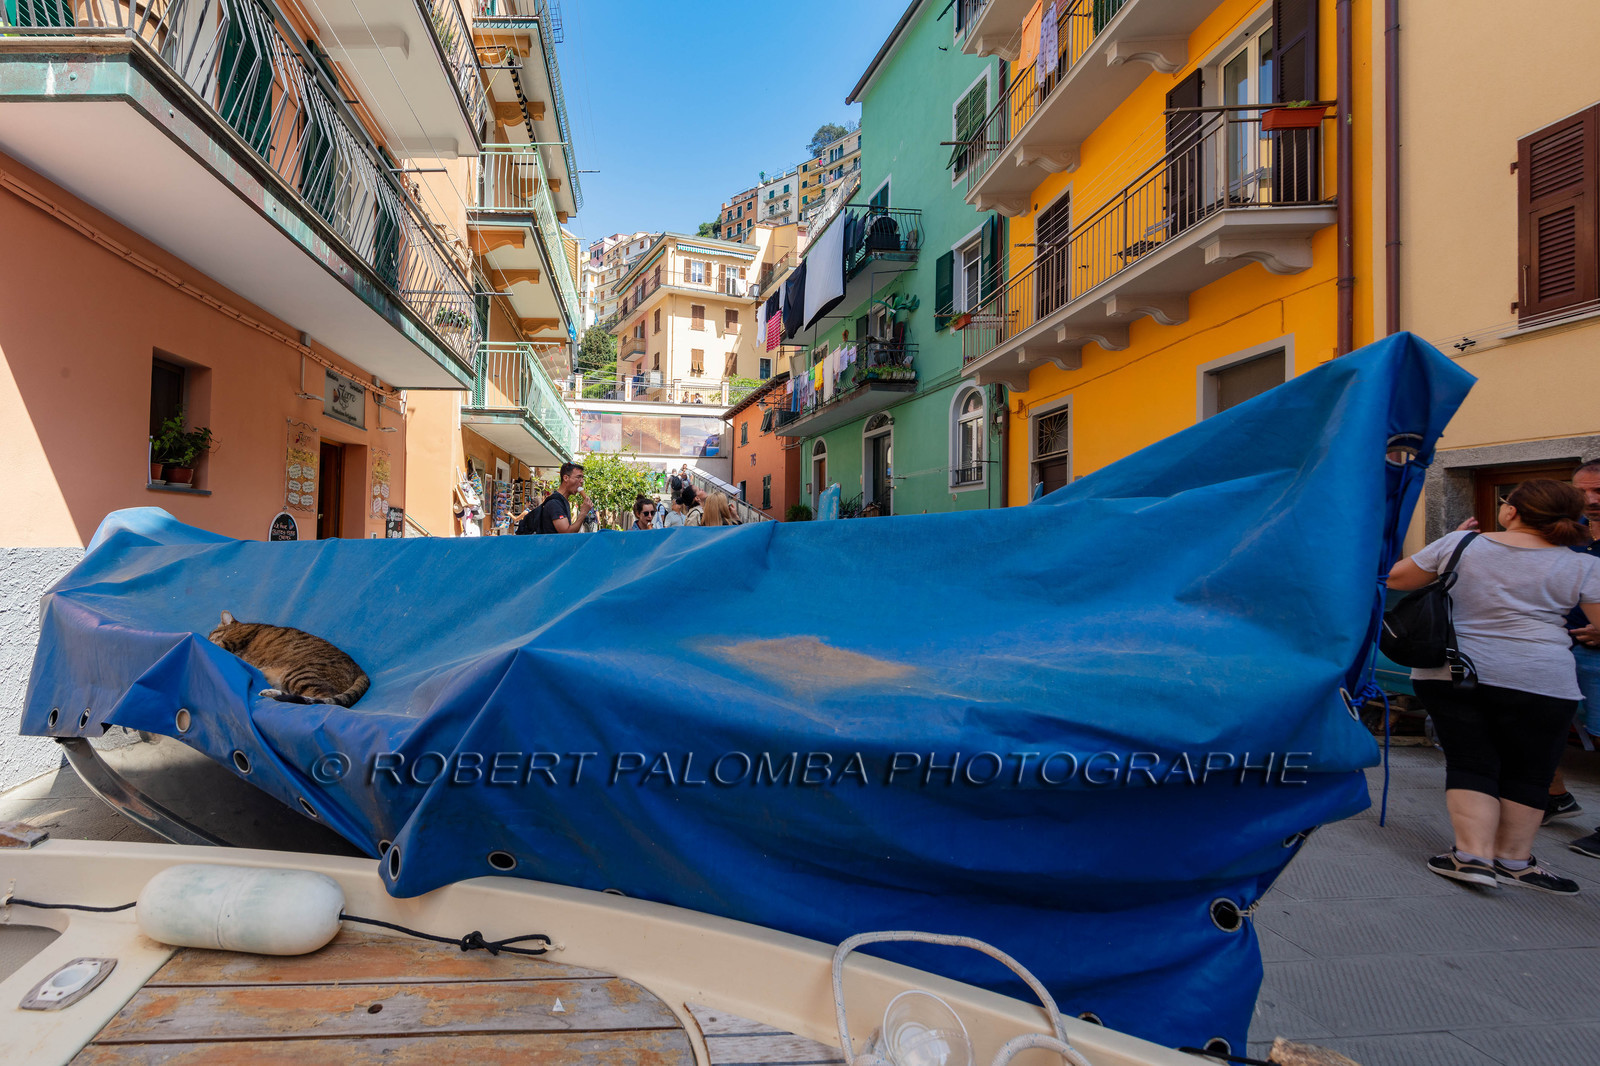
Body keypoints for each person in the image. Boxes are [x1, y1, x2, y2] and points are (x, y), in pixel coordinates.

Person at [1388, 479, 1600, 895]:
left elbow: (1396, 579)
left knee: (1471, 762)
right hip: (1543, 677)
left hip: (1456, 671)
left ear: (1511, 512)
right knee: (1531, 769)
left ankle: (1471, 857)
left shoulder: (1461, 545)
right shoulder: (1582, 565)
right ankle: (1515, 860)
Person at [1559, 462, 1600, 856]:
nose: (1591, 500)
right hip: (1557, 648)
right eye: (1582, 491)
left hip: (1597, 656)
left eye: (1599, 490)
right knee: (1540, 724)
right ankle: (1554, 797)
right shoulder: (1568, 531)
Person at [534, 462, 591, 535]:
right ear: (566, 478)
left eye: (582, 477)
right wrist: (583, 512)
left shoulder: (563, 501)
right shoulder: (555, 504)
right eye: (578, 477)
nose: (582, 481)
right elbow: (566, 533)